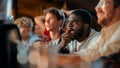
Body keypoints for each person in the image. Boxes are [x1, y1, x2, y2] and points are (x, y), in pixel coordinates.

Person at [57, 0, 120, 67]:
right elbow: (89, 52)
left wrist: (53, 58)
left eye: (104, 4)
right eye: (97, 5)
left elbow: (99, 55)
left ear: (118, 9)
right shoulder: (107, 33)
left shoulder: (115, 34)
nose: (97, 9)